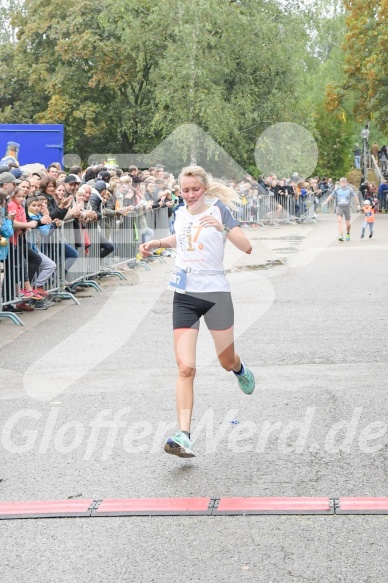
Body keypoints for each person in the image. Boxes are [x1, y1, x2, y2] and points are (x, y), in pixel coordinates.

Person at [139, 165, 255, 458]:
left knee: (225, 360)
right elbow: (180, 239)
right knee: (185, 367)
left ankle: (239, 369)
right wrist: (158, 243)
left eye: (195, 189)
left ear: (205, 188)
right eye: (185, 190)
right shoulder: (178, 213)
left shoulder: (220, 211)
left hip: (216, 294)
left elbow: (247, 247)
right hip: (185, 295)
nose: (190, 195)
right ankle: (184, 434)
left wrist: (224, 228)